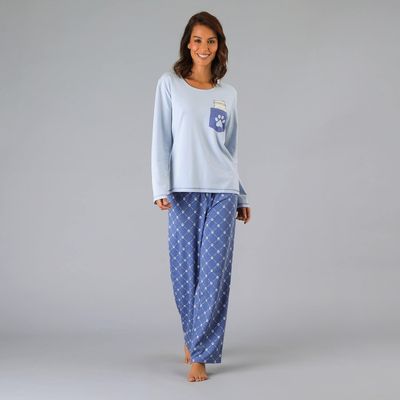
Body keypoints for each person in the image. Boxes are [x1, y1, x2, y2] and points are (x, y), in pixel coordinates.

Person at [151, 11, 251, 382]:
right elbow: (161, 138)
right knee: (184, 272)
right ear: (187, 44)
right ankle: (192, 336)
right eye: (197, 40)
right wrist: (160, 187)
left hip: (222, 191)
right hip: (182, 190)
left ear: (219, 46)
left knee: (213, 274)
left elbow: (230, 149)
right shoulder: (170, 84)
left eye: (211, 41)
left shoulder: (228, 94)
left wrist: (241, 194)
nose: (204, 47)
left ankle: (200, 354)